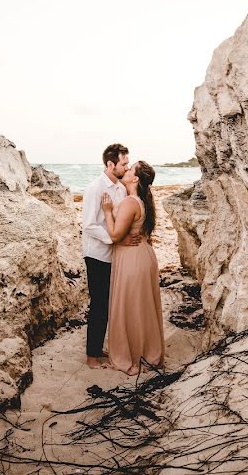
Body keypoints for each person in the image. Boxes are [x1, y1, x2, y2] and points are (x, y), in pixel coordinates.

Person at [101, 160, 165, 375]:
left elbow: (115, 235)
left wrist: (108, 211)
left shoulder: (130, 201)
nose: (126, 170)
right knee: (142, 306)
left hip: (133, 259)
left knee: (133, 307)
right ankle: (146, 355)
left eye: (130, 168)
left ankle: (135, 360)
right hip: (143, 255)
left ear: (135, 178)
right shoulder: (143, 200)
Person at [81, 143, 140, 368]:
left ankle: (97, 348)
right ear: (110, 164)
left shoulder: (121, 188)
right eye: (123, 164)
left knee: (109, 304)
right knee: (99, 305)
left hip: (114, 254)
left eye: (127, 164)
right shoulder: (95, 188)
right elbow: (89, 225)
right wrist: (115, 239)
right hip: (96, 254)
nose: (126, 168)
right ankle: (92, 357)